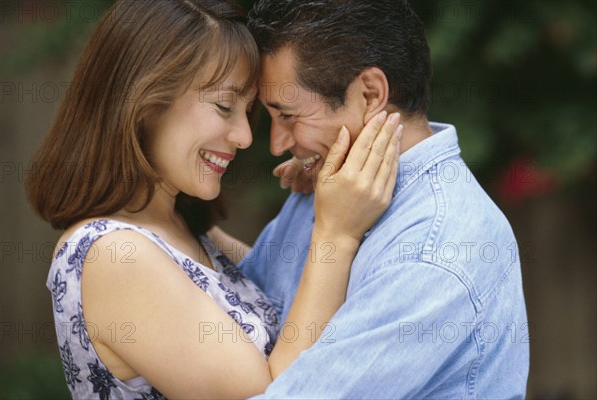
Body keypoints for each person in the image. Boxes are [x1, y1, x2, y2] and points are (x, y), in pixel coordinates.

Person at [24, 0, 402, 398]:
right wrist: (335, 233)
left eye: (246, 111)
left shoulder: (183, 232)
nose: (243, 136)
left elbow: (294, 295)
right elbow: (282, 393)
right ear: (144, 101)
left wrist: (319, 169)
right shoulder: (115, 256)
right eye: (224, 106)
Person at [226, 0, 530, 398]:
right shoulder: (333, 187)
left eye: (288, 116)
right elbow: (241, 304)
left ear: (370, 95)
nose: (278, 143)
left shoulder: (436, 252)